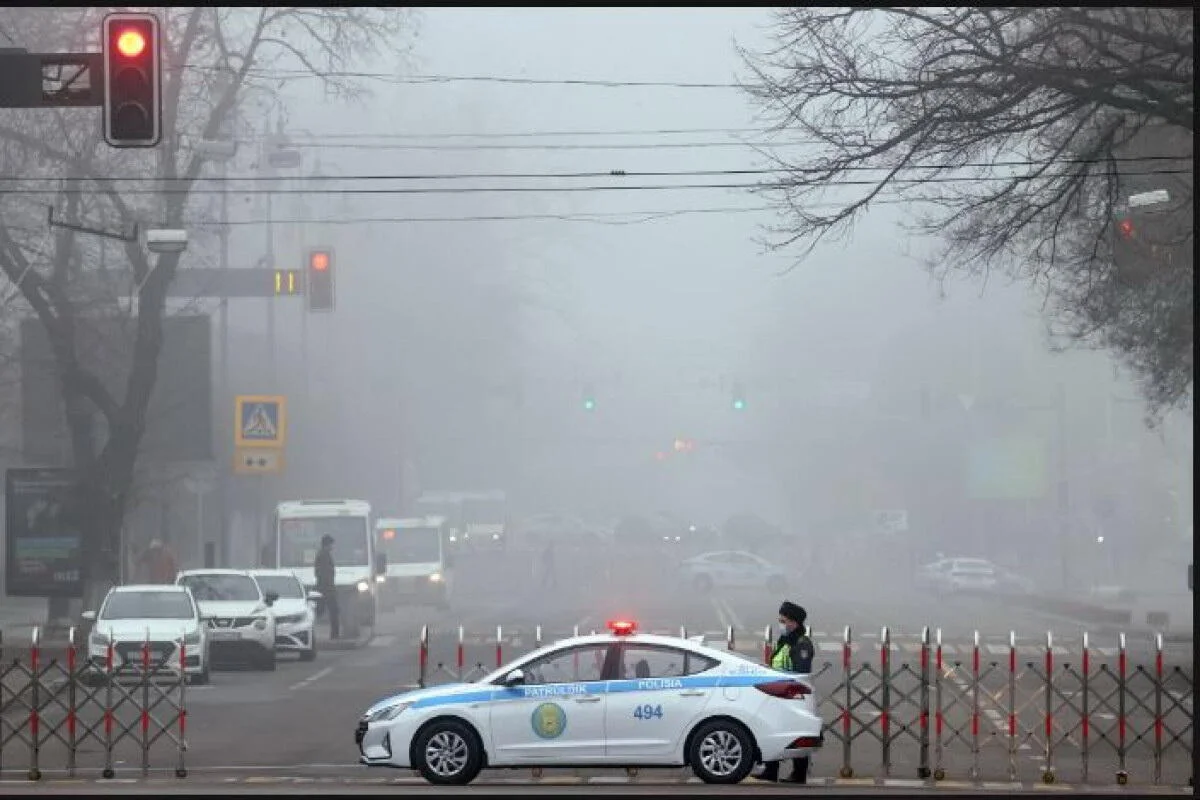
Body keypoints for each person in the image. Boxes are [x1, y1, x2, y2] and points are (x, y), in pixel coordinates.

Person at [754, 600, 816, 784]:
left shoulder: (801, 644)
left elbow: (801, 673)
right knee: (773, 730)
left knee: (798, 732)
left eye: (783, 620)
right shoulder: (785, 642)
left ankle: (799, 774)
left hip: (793, 694)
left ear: (794, 622)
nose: (780, 624)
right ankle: (771, 770)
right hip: (778, 693)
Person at [314, 534, 339, 639]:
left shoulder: (323, 554)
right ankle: (334, 635)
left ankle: (334, 634)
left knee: (322, 611)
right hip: (326, 589)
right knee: (332, 611)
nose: (332, 547)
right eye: (331, 544)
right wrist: (328, 588)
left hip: (325, 588)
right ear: (326, 545)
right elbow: (323, 573)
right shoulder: (323, 555)